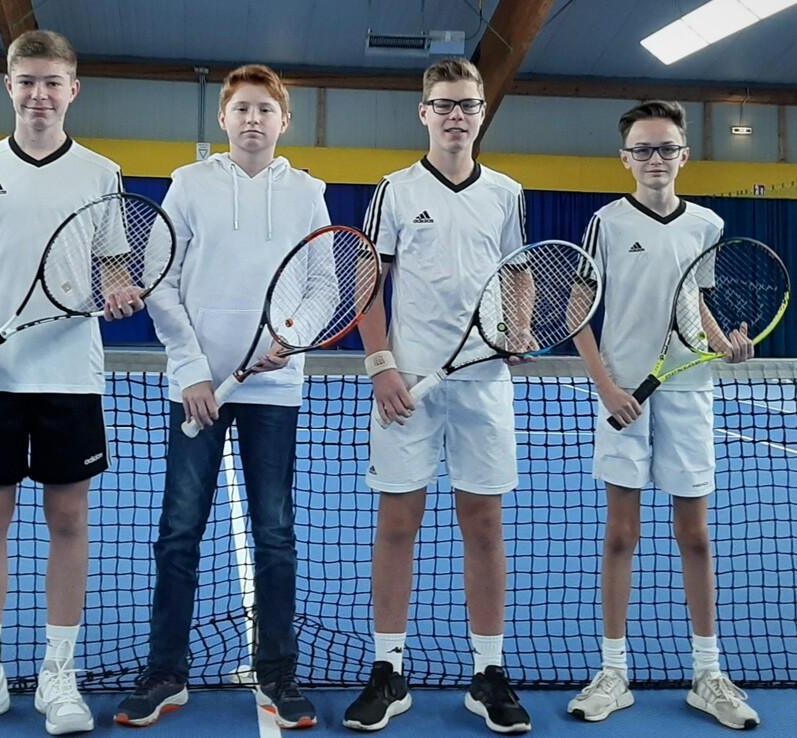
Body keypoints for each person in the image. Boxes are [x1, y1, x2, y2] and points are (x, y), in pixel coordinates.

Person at [0, 30, 142, 737]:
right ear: (7, 86)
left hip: (70, 377)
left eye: (51, 82)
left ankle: (57, 675)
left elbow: (113, 271)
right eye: (27, 81)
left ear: (74, 90)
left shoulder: (101, 173)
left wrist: (121, 288)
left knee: (68, 521)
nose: (39, 94)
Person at [113, 63, 329, 730]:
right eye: (242, 109)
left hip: (275, 388)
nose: (253, 119)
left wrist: (292, 338)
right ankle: (165, 674)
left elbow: (324, 282)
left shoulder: (308, 192)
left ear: (283, 120)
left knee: (276, 536)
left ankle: (278, 676)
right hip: (199, 391)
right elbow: (161, 281)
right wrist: (191, 372)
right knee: (178, 534)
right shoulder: (188, 185)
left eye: (266, 109)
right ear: (223, 117)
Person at [343, 58, 532, 734]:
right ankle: (388, 671)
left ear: (482, 114)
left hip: (483, 385)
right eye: (444, 104)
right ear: (423, 112)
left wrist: (517, 328)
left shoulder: (505, 193)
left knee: (483, 528)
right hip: (406, 390)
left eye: (468, 105)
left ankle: (488, 674)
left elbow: (518, 274)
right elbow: (369, 284)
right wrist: (381, 367)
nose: (456, 115)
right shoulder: (393, 190)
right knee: (397, 527)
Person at [566, 100, 759, 731]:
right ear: (625, 158)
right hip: (624, 398)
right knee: (621, 534)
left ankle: (709, 673)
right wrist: (606, 389)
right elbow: (578, 312)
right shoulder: (606, 223)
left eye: (666, 148)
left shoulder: (706, 224)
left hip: (686, 392)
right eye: (643, 149)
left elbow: (695, 303)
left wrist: (723, 344)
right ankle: (614, 671)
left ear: (684, 154)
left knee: (696, 536)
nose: (655, 159)